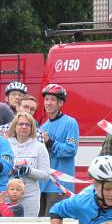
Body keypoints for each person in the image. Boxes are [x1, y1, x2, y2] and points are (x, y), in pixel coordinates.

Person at [39, 84, 79, 216]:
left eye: (52, 99)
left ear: (60, 103)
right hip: (43, 184)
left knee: (55, 222)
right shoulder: (43, 126)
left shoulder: (70, 123)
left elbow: (71, 150)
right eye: (46, 99)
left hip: (59, 186)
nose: (48, 103)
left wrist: (50, 142)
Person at [6, 112, 51, 217]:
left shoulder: (39, 147)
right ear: (14, 126)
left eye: (28, 125)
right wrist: (11, 170)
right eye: (21, 124)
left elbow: (45, 175)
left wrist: (29, 171)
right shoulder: (5, 144)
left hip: (30, 195)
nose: (24, 127)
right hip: (8, 194)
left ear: (32, 128)